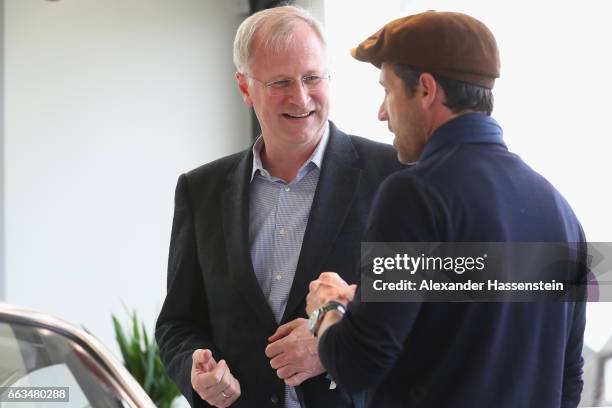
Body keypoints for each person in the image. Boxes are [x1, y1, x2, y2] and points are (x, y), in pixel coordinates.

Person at [306, 11, 586, 408]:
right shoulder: (561, 211)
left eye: (386, 91)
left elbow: (355, 364)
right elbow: (567, 381)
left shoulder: (413, 195)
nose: (382, 113)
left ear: (425, 90)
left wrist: (327, 308)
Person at [155, 5, 402, 408]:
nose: (301, 97)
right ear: (244, 87)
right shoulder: (199, 190)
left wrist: (332, 339)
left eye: (312, 78)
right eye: (281, 82)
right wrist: (195, 369)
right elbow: (178, 322)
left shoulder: (392, 174)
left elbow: (427, 302)